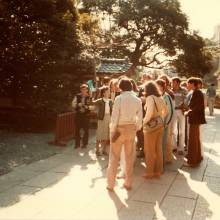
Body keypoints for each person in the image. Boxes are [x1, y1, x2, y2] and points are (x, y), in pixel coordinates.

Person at [106, 78, 143, 191]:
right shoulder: (137, 100)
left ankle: (111, 184)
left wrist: (112, 130)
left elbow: (114, 116)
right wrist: (136, 128)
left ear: (121, 87)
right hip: (131, 129)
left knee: (114, 157)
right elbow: (140, 118)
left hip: (119, 129)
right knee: (129, 157)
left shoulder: (119, 98)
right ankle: (128, 183)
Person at [143, 81, 167, 179]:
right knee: (158, 149)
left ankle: (149, 172)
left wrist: (143, 122)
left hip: (151, 126)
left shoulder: (149, 98)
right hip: (160, 125)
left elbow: (149, 113)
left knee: (149, 150)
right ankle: (158, 171)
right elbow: (166, 111)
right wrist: (160, 118)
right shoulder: (160, 97)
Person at [184, 78, 206, 167]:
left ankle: (192, 161)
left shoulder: (197, 92)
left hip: (195, 119)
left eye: (188, 84)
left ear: (192, 83)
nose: (187, 85)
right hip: (195, 119)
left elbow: (197, 107)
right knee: (195, 139)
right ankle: (197, 158)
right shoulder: (197, 92)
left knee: (193, 140)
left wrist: (188, 112)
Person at [156, 79, 174, 163]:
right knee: (158, 143)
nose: (156, 87)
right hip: (157, 124)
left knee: (164, 143)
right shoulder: (157, 96)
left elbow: (170, 111)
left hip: (164, 124)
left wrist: (166, 123)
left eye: (158, 85)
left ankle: (163, 161)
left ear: (163, 86)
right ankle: (160, 160)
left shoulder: (167, 97)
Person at [93, 86, 113, 156]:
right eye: (107, 91)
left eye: (109, 91)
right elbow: (92, 103)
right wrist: (92, 94)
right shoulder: (100, 100)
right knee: (100, 134)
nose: (109, 93)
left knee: (107, 135)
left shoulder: (110, 101)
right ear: (103, 93)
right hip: (101, 118)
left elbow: (112, 110)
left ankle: (104, 150)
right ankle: (97, 150)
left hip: (109, 118)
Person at [171, 77, 187, 155]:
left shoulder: (183, 90)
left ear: (177, 83)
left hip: (181, 111)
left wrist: (184, 108)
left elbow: (186, 100)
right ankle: (174, 146)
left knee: (182, 130)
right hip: (173, 111)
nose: (172, 84)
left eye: (173, 82)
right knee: (173, 130)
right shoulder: (170, 91)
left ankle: (181, 148)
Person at [72, 84, 91, 148]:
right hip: (78, 115)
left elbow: (92, 107)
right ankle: (77, 144)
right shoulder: (77, 96)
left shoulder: (89, 97)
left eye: (85, 89)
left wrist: (87, 107)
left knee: (86, 130)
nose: (84, 91)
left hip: (86, 116)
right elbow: (73, 104)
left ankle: (84, 144)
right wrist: (78, 105)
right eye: (82, 89)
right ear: (80, 90)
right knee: (77, 130)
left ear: (87, 90)